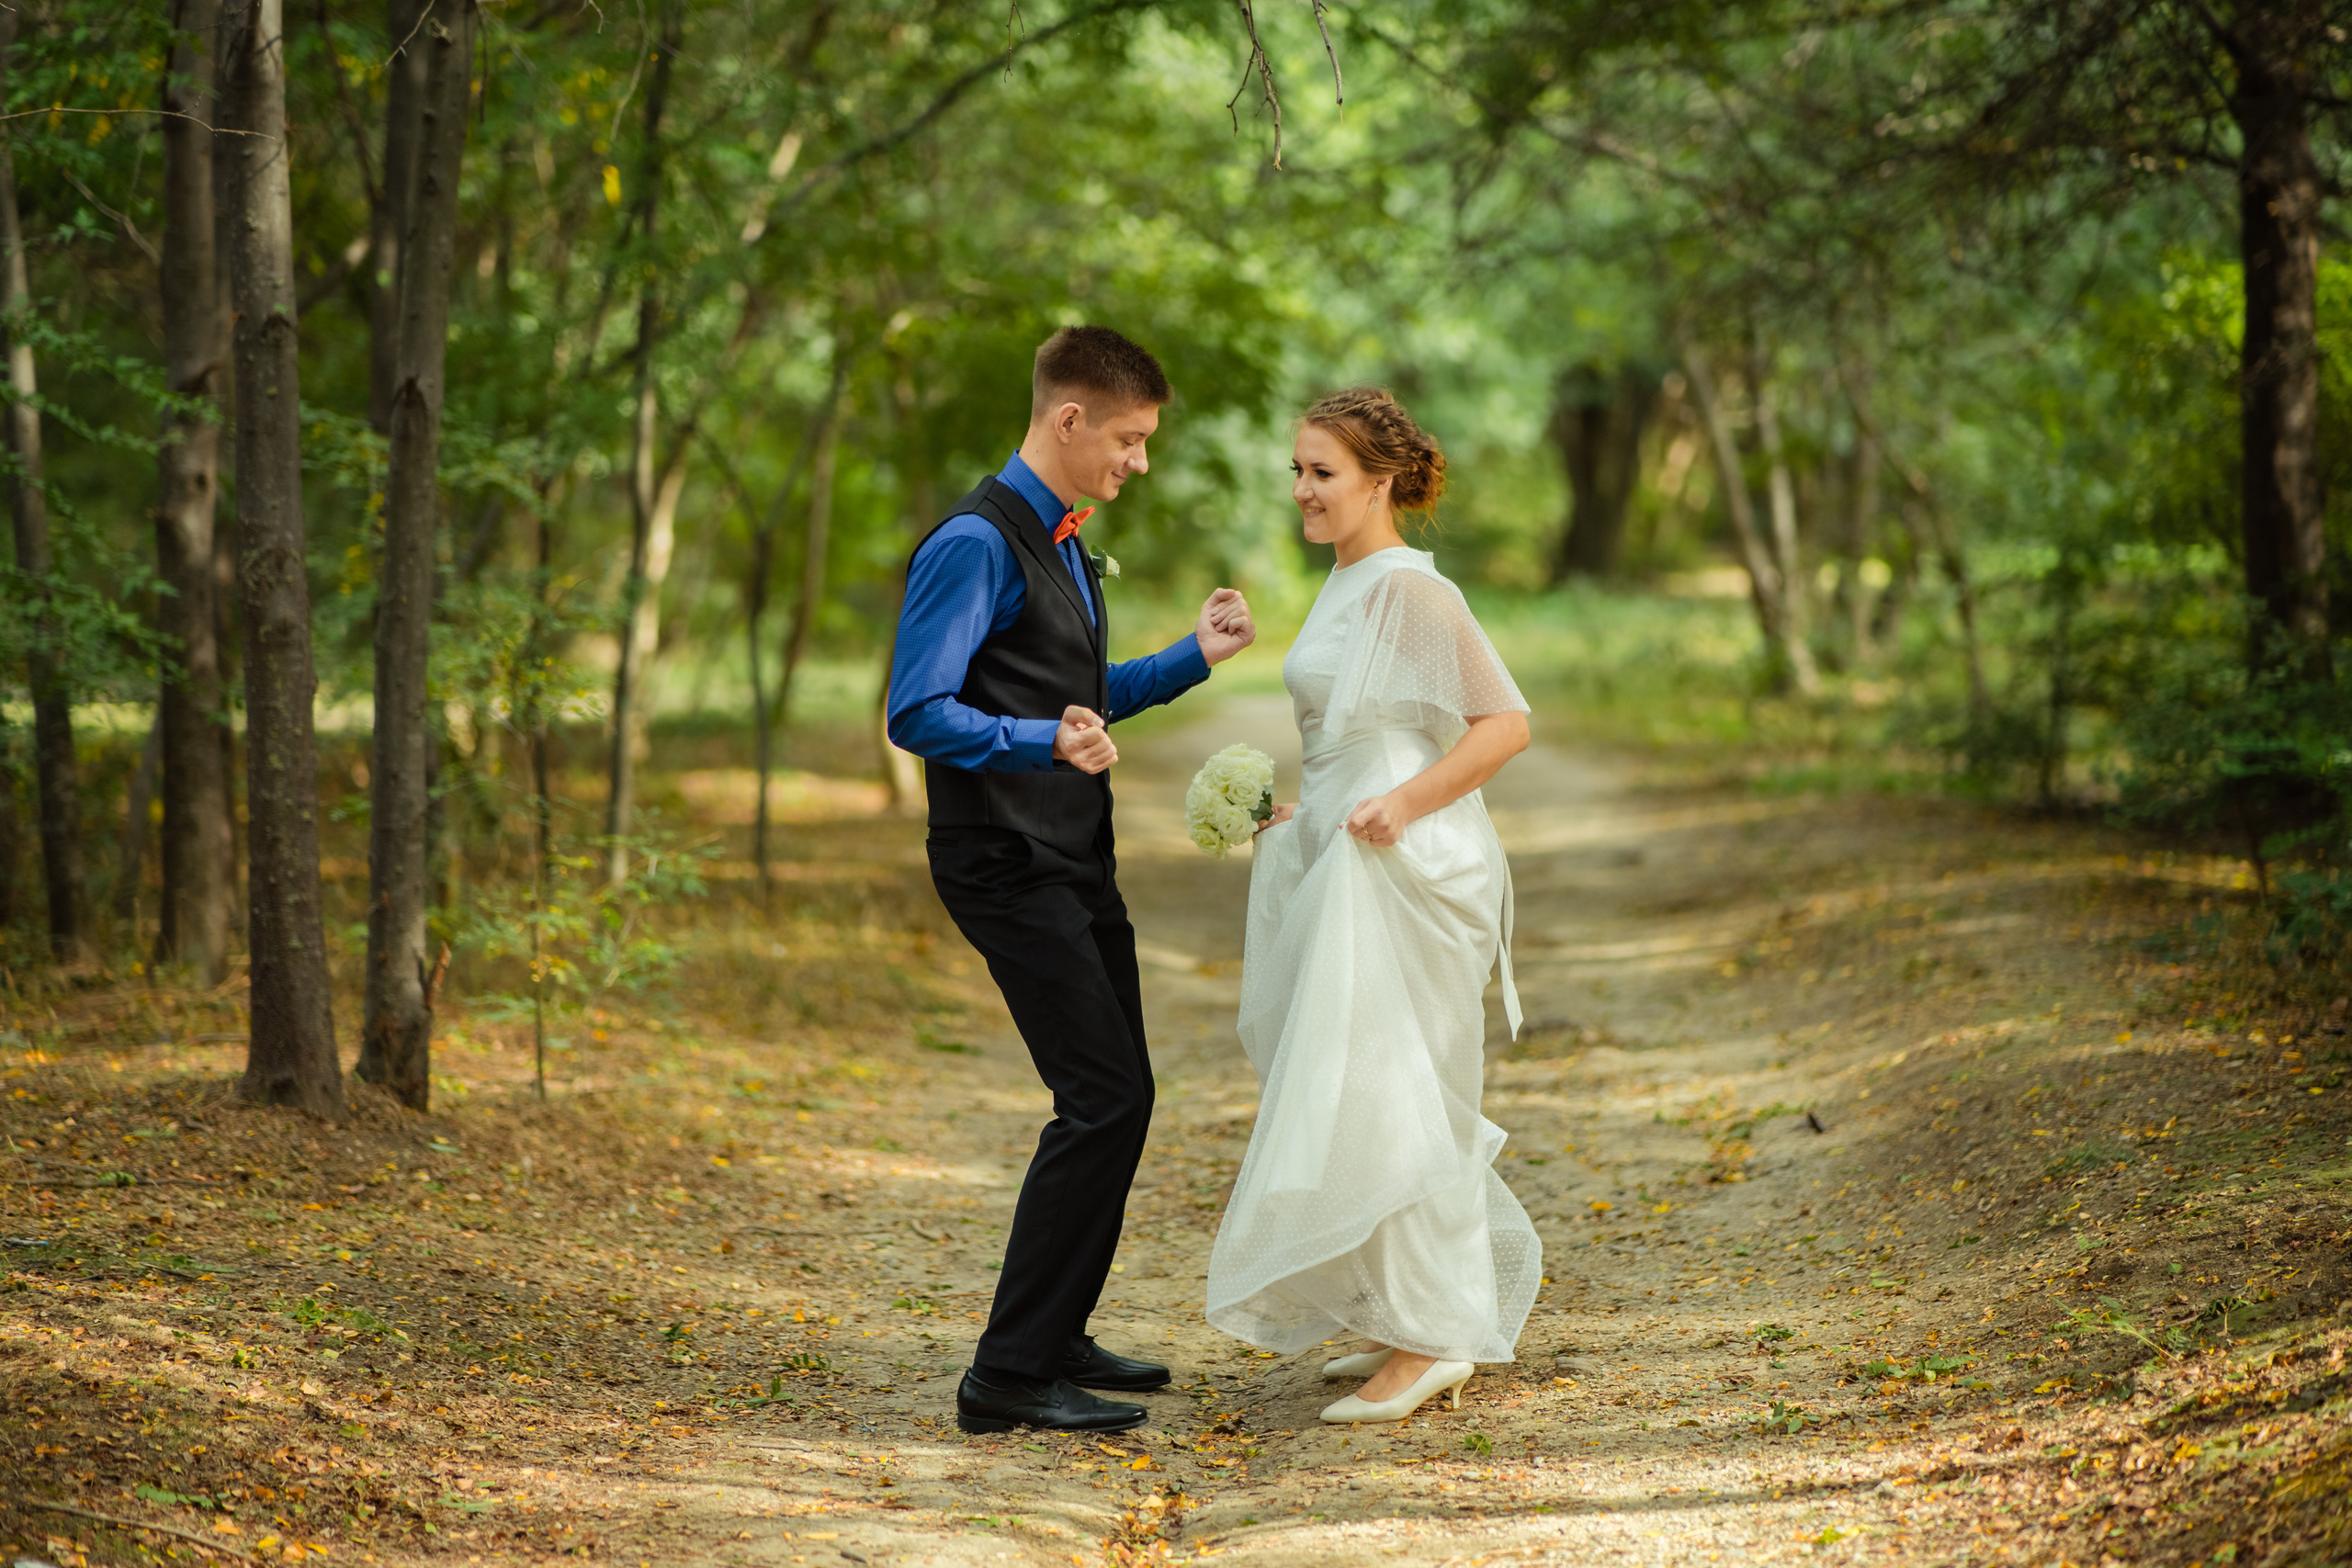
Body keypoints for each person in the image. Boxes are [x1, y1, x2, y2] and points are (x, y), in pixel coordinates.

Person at [887, 325, 1257, 1435]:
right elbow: (917, 710)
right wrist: (1035, 743)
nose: (1139, 462)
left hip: (1071, 858)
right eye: (1131, 440)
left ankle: (1056, 1333)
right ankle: (1005, 1376)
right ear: (1069, 420)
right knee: (1101, 1098)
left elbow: (1079, 692)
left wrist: (1193, 655)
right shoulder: (973, 541)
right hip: (1003, 861)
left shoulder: (1061, 536)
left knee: (1121, 1094)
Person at [1204, 387, 1539, 1424]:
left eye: (1323, 472)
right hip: (1349, 844)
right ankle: (1408, 1316)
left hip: (1410, 862)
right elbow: (1359, 732)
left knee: (1398, 1087)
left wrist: (1401, 801)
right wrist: (1305, 811)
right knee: (1364, 1088)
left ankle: (1434, 1337)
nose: (1303, 490)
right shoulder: (1346, 582)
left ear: (1380, 482)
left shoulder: (1407, 589)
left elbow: (1503, 724)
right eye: (1298, 469)